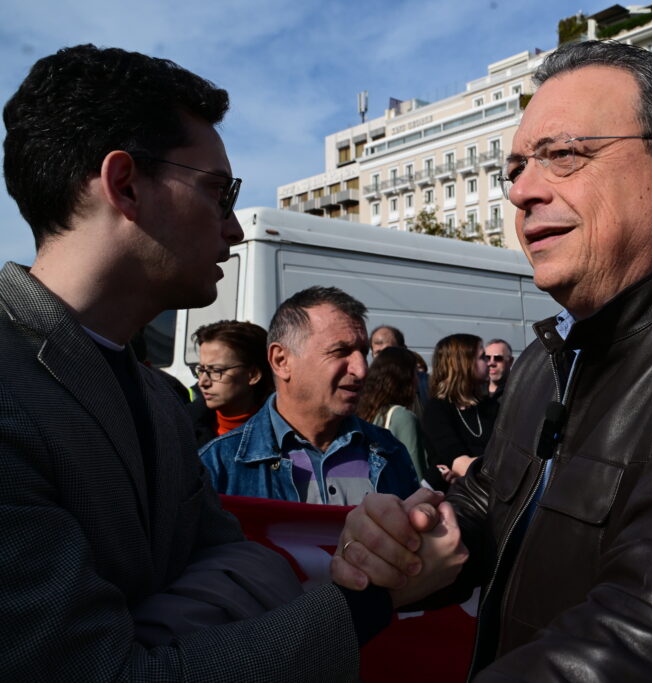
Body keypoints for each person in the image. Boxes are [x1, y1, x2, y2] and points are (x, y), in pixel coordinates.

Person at [335, 40, 652, 681]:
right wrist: (417, 536)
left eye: (563, 155)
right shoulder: (544, 359)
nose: (523, 191)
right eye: (516, 168)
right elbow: (493, 501)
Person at [0, 44, 464, 681]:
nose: (235, 229)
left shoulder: (160, 401)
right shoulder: (11, 394)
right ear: (125, 185)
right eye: (219, 193)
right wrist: (371, 600)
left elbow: (247, 565)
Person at [200, 287, 420, 505]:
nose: (361, 370)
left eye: (363, 352)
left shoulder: (389, 451)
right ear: (281, 361)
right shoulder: (218, 465)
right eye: (340, 352)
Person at [421, 333, 497, 491]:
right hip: (456, 500)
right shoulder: (437, 410)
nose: (490, 362)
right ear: (463, 363)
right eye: (482, 357)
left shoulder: (491, 406)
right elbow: (461, 465)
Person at [188, 320, 274, 447]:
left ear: (253, 375)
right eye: (201, 370)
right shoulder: (181, 427)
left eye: (216, 371)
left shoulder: (288, 430)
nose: (202, 382)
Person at [358, 346, 431, 481]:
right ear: (404, 377)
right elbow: (415, 475)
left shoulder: (365, 411)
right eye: (415, 373)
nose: (418, 379)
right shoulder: (403, 417)